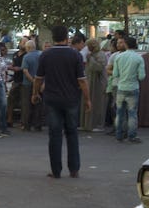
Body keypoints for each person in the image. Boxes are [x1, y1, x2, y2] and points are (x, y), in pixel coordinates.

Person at [32, 25, 90, 179]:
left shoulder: (46, 55)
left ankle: (56, 170)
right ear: (67, 37)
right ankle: (74, 169)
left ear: (53, 37)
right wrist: (88, 99)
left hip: (52, 100)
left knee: (54, 135)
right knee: (72, 133)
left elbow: (38, 79)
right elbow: (82, 81)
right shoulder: (75, 55)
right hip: (71, 99)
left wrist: (35, 93)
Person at [112, 36, 146, 143]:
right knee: (132, 113)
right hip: (133, 88)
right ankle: (132, 136)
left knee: (119, 113)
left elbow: (115, 74)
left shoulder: (118, 57)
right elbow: (142, 76)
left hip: (121, 88)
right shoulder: (139, 58)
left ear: (126, 44)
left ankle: (119, 134)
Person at [82, 38, 108, 132]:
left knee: (98, 103)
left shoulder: (100, 54)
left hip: (98, 82)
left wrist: (91, 59)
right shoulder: (91, 54)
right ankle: (87, 124)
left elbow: (99, 68)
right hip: (90, 81)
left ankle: (97, 124)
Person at [20, 39, 42, 131]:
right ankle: (37, 124)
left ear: (28, 48)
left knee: (27, 104)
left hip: (28, 84)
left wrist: (33, 81)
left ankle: (26, 124)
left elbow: (25, 71)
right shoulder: (41, 55)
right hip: (41, 83)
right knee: (38, 104)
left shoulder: (26, 57)